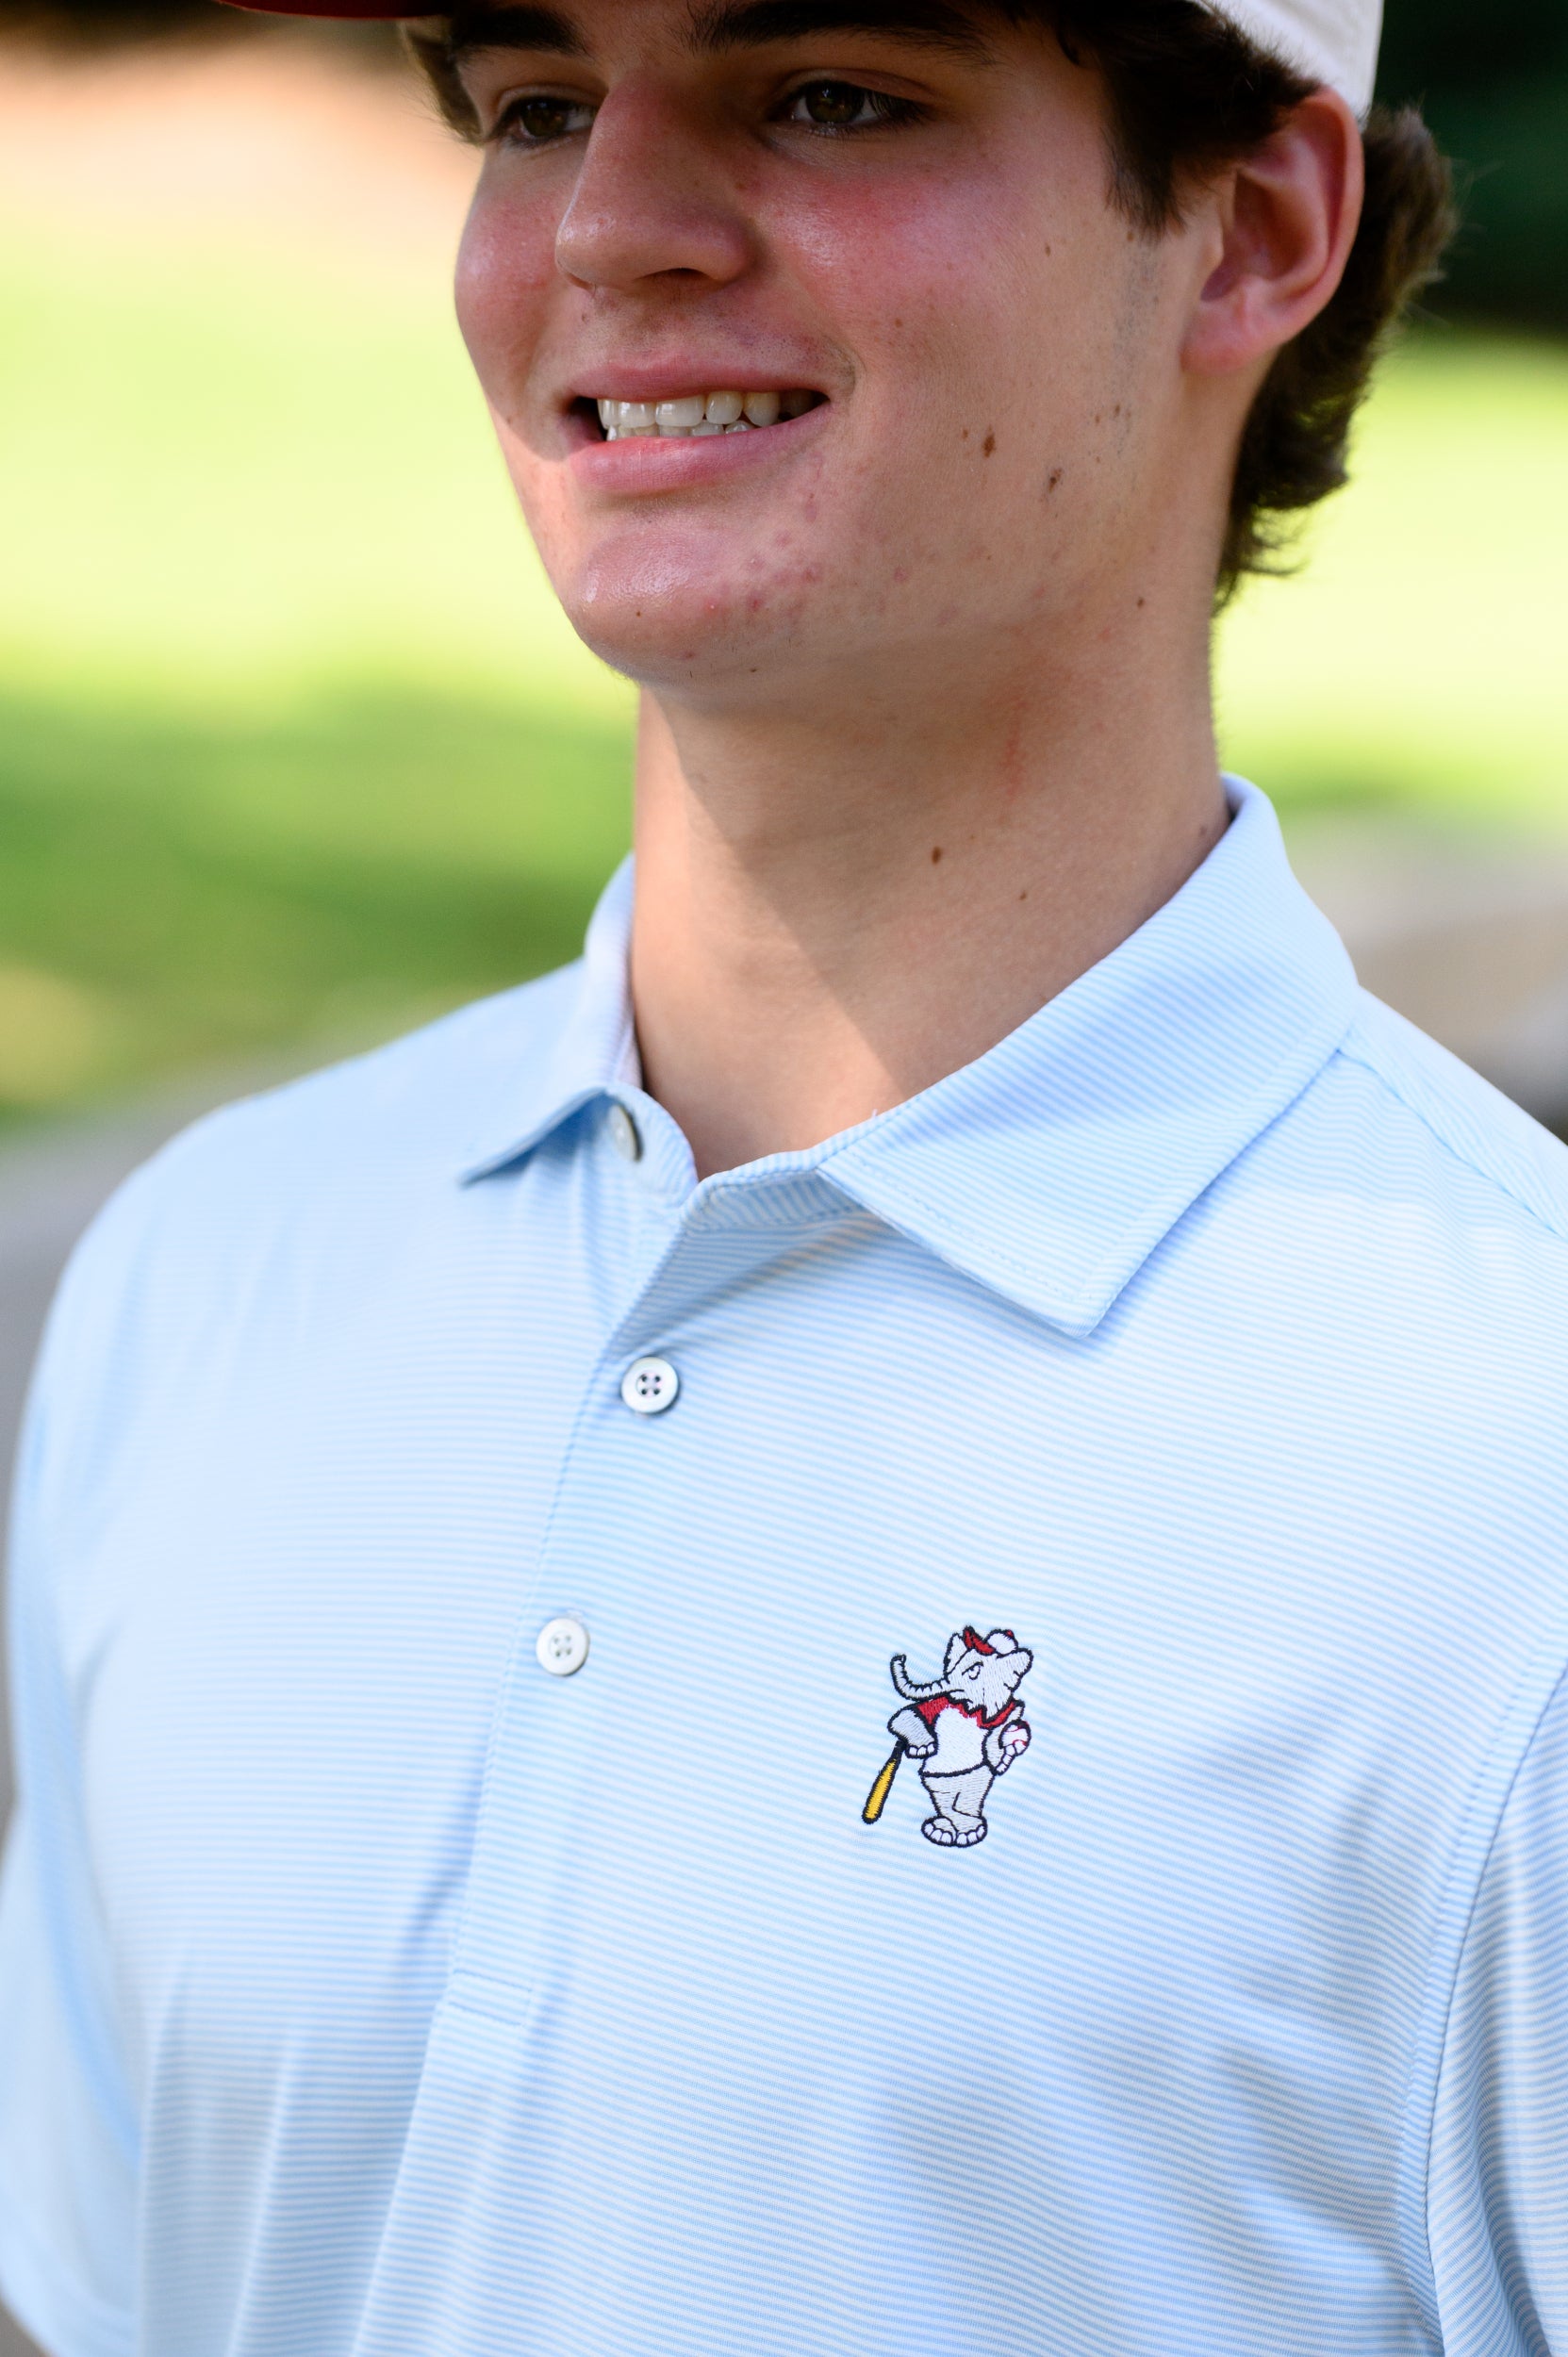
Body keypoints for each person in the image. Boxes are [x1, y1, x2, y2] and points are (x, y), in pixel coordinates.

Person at [2, 0, 1564, 2349]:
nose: (607, 226)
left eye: (830, 91)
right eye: (534, 105)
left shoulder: (1506, 1474)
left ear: (1251, 230)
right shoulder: (209, 1279)